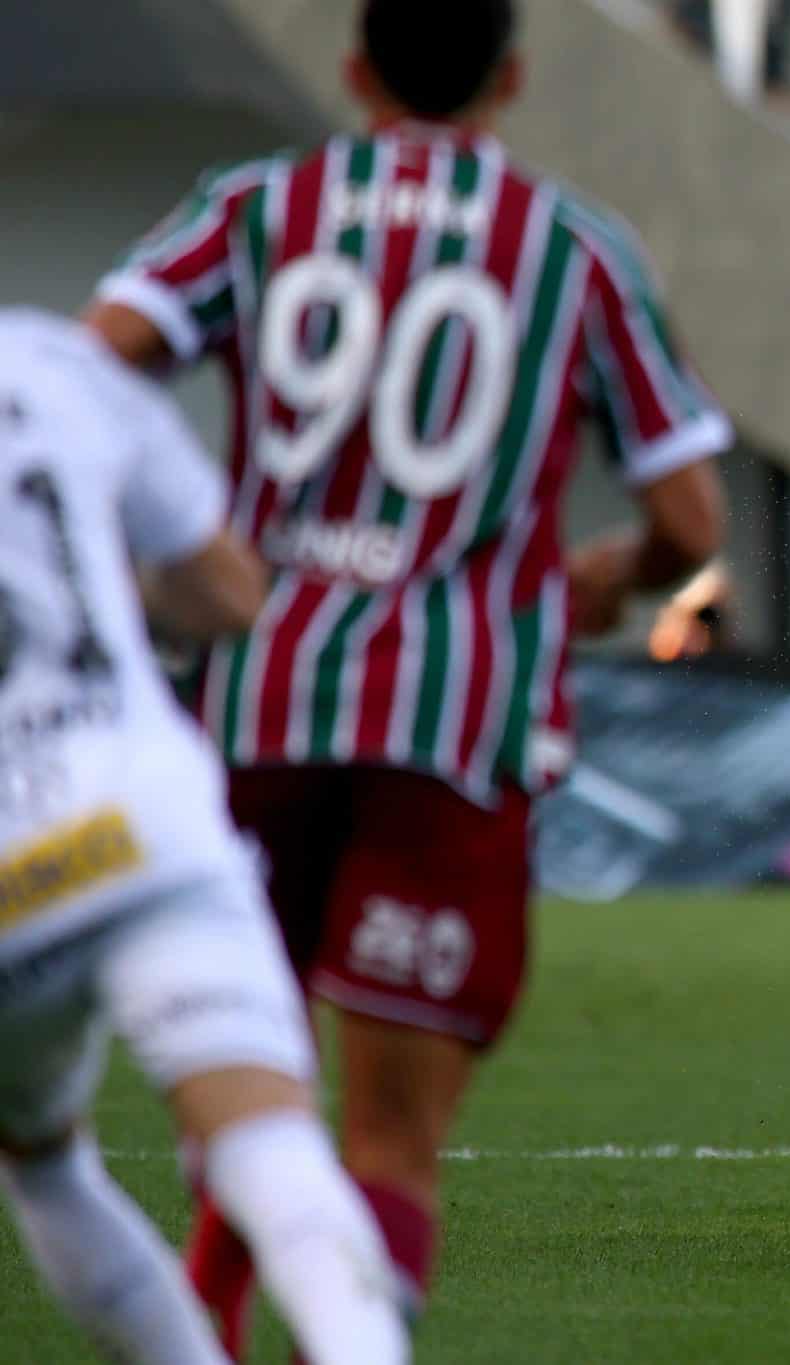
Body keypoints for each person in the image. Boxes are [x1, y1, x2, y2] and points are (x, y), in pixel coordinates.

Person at [81, 0, 731, 1351]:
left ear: (357, 71)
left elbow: (99, 363)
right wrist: (599, 579)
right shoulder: (574, 248)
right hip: (457, 719)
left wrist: (168, 543)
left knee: (250, 1100)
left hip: (258, 705)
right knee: (387, 1139)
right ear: (512, 78)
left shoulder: (260, 206)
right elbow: (692, 526)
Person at [0, 309, 411, 1362]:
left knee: (43, 1161)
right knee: (269, 1143)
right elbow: (228, 592)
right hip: (139, 819)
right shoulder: (55, 363)